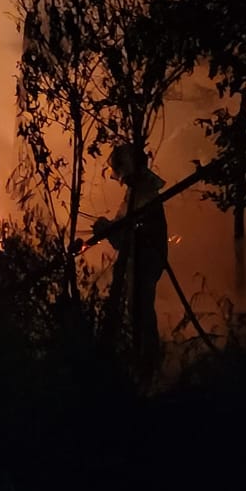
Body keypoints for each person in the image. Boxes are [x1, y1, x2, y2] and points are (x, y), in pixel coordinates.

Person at [91, 144, 168, 382]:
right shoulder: (138, 191)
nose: (119, 180)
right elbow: (122, 227)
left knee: (141, 310)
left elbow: (127, 235)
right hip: (143, 259)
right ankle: (145, 363)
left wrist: (106, 229)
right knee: (139, 309)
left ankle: (147, 367)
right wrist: (106, 228)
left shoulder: (143, 192)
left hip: (146, 259)